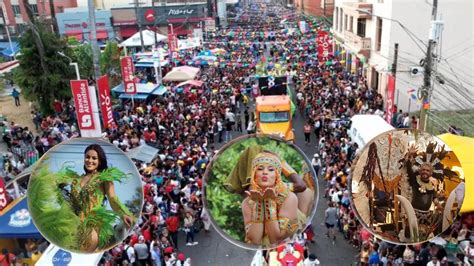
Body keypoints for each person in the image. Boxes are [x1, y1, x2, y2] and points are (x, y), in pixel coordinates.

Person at [28, 144, 135, 252]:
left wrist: (122, 213)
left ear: (100, 161)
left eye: (94, 158)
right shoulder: (77, 179)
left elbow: (112, 199)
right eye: (87, 157)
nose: (90, 160)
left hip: (91, 225)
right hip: (71, 224)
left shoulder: (104, 178)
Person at [242, 152, 298, 246]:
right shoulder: (247, 202)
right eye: (260, 169)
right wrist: (259, 203)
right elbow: (255, 240)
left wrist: (269, 202)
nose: (265, 172)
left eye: (271, 169)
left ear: (277, 175)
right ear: (254, 174)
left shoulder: (289, 198)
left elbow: (275, 239)